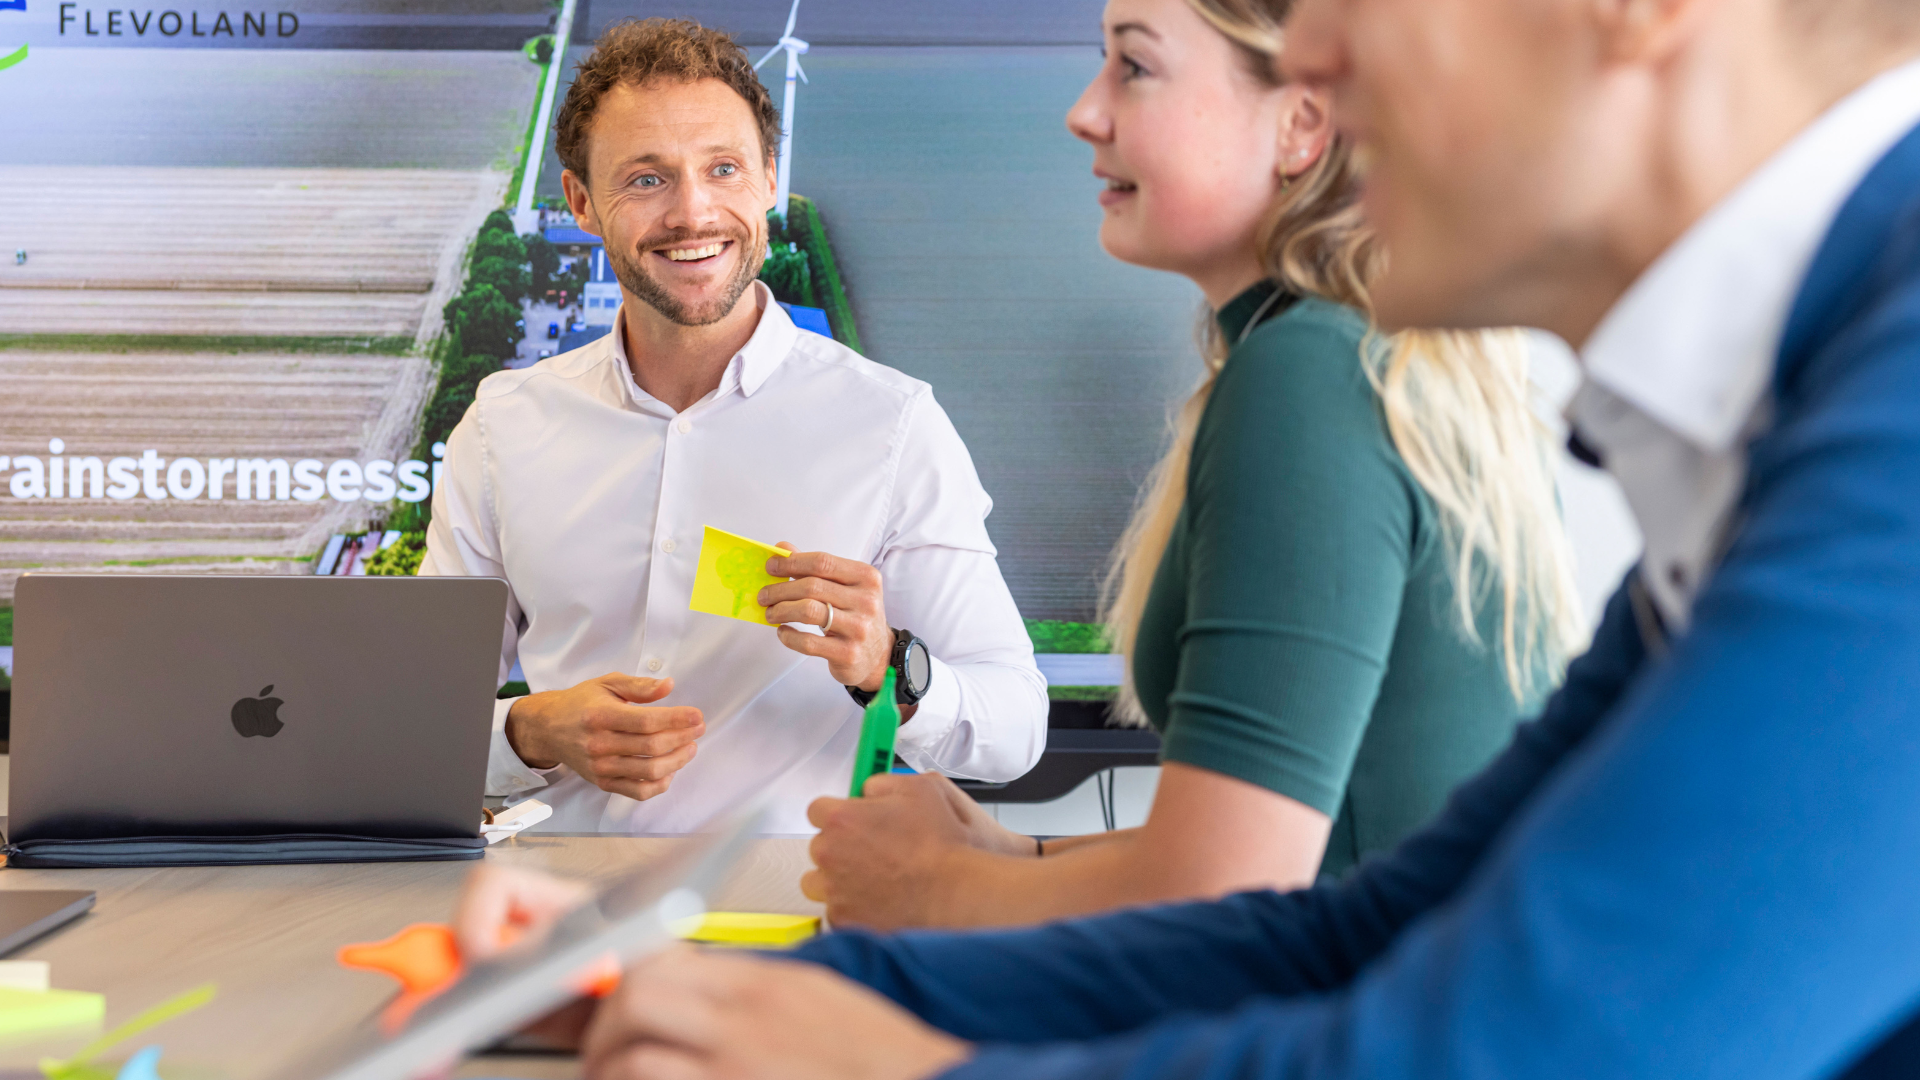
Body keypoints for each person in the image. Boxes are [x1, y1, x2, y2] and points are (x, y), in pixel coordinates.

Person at [453, 0, 1920, 1075]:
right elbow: (1372, 927)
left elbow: (1521, 1047)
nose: (1315, 64)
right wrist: (794, 1006)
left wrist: (901, 1057)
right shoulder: (1785, 412)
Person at [795, 0, 1582, 930]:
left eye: (1134, 67)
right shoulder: (1372, 352)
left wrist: (937, 888)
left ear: (1300, 122)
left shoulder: (1308, 374)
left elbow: (1234, 881)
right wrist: (1015, 857)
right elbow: (1291, 832)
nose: (1084, 112)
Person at [421, 18, 1047, 834]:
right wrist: (529, 732)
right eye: (646, 179)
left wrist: (887, 665)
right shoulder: (504, 426)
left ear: (768, 181)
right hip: (549, 898)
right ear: (580, 203)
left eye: (723, 168)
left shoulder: (892, 425)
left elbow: (1015, 729)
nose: (693, 212)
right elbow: (411, 717)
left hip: (787, 899)